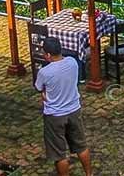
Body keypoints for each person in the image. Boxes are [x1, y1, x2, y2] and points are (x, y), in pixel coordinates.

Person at [35, 36, 92, 176]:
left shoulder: (45, 72)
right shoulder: (72, 62)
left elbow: (38, 87)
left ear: (48, 55)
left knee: (59, 154)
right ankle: (89, 174)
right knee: (81, 145)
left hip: (55, 115)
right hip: (74, 110)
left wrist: (44, 94)